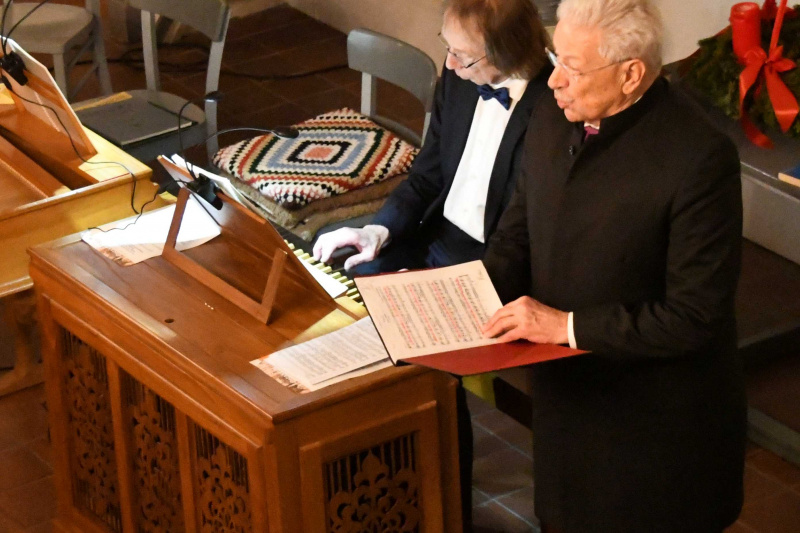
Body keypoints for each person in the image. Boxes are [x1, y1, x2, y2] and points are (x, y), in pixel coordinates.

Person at [481, 0, 746, 531]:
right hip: (568, 411)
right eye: (557, 57)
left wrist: (564, 326)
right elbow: (518, 234)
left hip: (656, 435)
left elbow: (694, 315)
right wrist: (455, 294)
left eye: (574, 68)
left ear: (631, 75)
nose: (554, 81)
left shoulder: (699, 158)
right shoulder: (552, 119)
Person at [313, 0, 551, 276]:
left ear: (506, 53)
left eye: (462, 55)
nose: (449, 63)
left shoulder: (552, 110)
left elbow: (528, 237)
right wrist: (377, 230)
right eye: (448, 47)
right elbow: (426, 176)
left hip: (490, 264)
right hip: (433, 235)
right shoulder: (458, 78)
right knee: (350, 279)